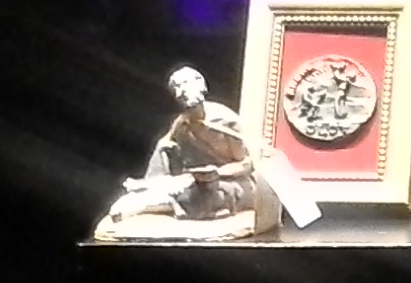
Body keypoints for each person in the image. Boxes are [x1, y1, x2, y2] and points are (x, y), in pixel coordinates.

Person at [99, 66, 278, 235]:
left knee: (204, 196)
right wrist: (168, 150)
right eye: (176, 87)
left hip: (234, 181)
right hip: (196, 178)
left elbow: (247, 164)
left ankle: (156, 202)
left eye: (185, 83)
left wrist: (217, 173)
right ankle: (148, 193)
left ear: (201, 85)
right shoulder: (183, 122)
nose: (182, 91)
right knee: (164, 149)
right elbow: (166, 142)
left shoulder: (226, 122)